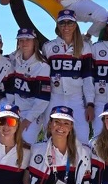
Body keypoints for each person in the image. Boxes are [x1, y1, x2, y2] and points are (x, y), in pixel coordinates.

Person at [41, 9, 95, 140]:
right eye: (62, 23)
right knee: (50, 137)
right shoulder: (48, 47)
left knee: (82, 137)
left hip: (76, 99)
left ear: (75, 25)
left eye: (70, 23)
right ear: (57, 26)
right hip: (54, 97)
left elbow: (88, 78)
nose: (66, 26)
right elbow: (42, 76)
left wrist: (90, 104)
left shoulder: (84, 47)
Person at [7, 28, 51, 144]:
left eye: (28, 40)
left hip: (32, 113)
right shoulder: (15, 58)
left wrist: (27, 120)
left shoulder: (42, 66)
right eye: (21, 40)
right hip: (15, 110)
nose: (24, 43)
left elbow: (43, 99)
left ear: (34, 42)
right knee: (8, 143)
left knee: (26, 143)